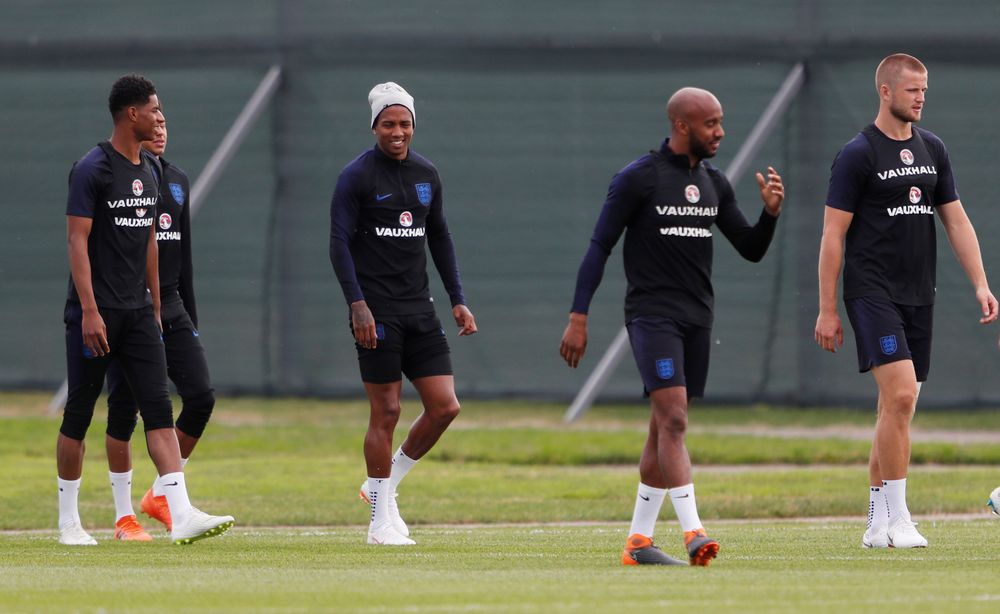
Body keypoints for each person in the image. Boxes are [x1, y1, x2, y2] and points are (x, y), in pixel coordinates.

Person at [560, 87, 785, 566]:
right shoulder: (637, 179)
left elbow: (750, 248)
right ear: (682, 126)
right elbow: (599, 246)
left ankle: (638, 543)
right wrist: (579, 316)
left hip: (697, 318)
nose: (720, 132)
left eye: (721, 122)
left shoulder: (715, 182)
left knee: (662, 426)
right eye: (711, 124)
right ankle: (694, 532)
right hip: (651, 316)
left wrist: (769, 215)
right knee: (676, 419)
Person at [815, 53, 997, 549]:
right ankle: (899, 518)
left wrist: (980, 283)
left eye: (925, 90)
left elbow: (956, 221)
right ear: (886, 92)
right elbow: (833, 235)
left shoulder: (932, 148)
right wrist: (827, 308)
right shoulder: (857, 154)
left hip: (921, 294)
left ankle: (875, 524)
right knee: (901, 396)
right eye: (912, 90)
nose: (920, 98)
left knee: (893, 410)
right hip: (871, 292)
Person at [59, 74, 233, 546]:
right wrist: (90, 311)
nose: (160, 117)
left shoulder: (152, 173)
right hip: (96, 313)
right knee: (80, 413)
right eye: (154, 109)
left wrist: (155, 305)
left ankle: (181, 513)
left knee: (158, 410)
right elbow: (77, 242)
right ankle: (69, 523)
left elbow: (150, 242)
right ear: (131, 114)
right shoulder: (92, 168)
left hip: (140, 313)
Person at [329, 82, 477, 546]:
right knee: (387, 411)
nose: (398, 131)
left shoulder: (426, 174)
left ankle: (384, 487)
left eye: (405, 123)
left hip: (420, 309)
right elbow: (338, 244)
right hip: (376, 312)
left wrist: (457, 296)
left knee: (444, 406)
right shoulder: (356, 176)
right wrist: (358, 305)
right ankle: (378, 524)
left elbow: (441, 238)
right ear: (374, 126)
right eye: (389, 123)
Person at [102, 121, 217, 541]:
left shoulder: (178, 179)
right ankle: (123, 518)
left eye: (166, 121)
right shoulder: (114, 177)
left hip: (170, 304)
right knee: (123, 411)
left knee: (201, 397)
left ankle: (162, 495)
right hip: (128, 305)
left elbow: (181, 253)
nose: (161, 128)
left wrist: (190, 316)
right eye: (153, 120)